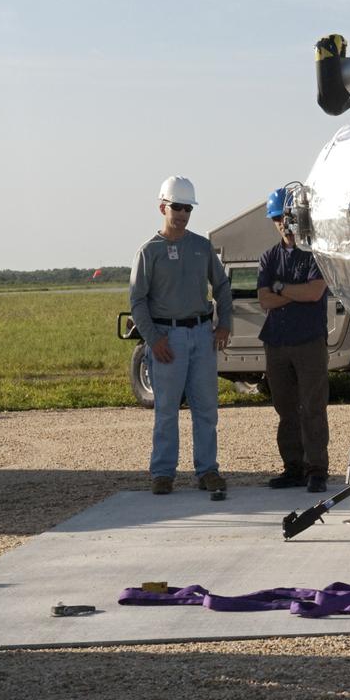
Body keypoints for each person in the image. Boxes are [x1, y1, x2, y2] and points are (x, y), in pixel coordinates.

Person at [129, 175, 232, 496]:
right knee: (166, 411)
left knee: (206, 409)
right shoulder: (149, 252)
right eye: (177, 207)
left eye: (188, 208)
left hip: (202, 336)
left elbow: (223, 285)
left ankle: (207, 471)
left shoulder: (201, 247)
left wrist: (224, 323)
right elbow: (137, 300)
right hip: (166, 340)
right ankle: (163, 473)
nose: (183, 214)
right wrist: (152, 338)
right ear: (163, 207)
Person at [256, 186, 331, 493]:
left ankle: (316, 469)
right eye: (276, 218)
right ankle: (293, 467)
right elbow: (264, 300)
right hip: (277, 341)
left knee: (313, 406)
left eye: (285, 216)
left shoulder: (315, 253)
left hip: (309, 341)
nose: (281, 223)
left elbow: (315, 292)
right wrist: (291, 292)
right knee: (285, 408)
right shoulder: (268, 257)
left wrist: (280, 289)